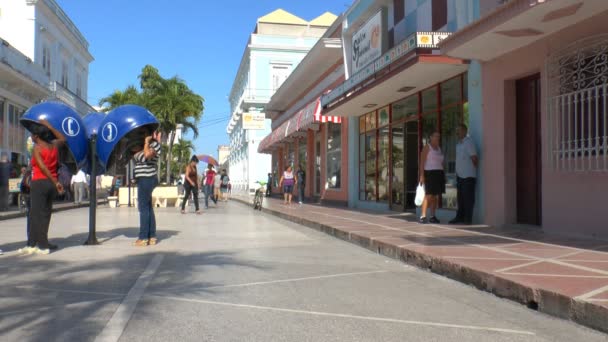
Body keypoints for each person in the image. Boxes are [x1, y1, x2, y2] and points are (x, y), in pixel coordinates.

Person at [18, 119, 65, 255]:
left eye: (32, 134)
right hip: (51, 184)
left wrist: (55, 182)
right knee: (43, 213)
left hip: (40, 182)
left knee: (36, 215)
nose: (30, 136)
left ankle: (43, 245)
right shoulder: (54, 145)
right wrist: (50, 126)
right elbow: (63, 138)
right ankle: (32, 243)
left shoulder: (37, 149)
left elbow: (43, 168)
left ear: (36, 137)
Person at [132, 130, 162, 247]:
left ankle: (143, 237)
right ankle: (152, 236)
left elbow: (147, 155)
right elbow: (135, 152)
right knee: (148, 207)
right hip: (143, 179)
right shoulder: (143, 145)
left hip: (147, 178)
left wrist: (146, 142)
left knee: (143, 208)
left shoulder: (154, 145)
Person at [450, 124, 478, 225]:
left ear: (465, 131)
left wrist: (471, 170)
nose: (457, 132)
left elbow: (474, 158)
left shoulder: (469, 142)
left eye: (459, 130)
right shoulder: (458, 144)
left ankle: (467, 219)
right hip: (460, 176)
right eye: (456, 130)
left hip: (468, 176)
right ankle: (459, 217)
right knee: (460, 199)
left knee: (468, 199)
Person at [419, 131, 445, 224]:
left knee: (435, 196)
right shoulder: (427, 147)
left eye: (439, 136)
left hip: (439, 173)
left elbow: (441, 162)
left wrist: (443, 173)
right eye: (435, 136)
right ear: (431, 137)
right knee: (429, 195)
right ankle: (423, 216)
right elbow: (422, 162)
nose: (437, 138)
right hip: (429, 173)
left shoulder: (439, 148)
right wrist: (422, 175)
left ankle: (433, 216)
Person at [19, 166, 32, 244]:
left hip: (27, 196)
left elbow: (21, 187)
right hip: (33, 196)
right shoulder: (34, 173)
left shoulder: (26, 174)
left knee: (30, 217)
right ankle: (34, 238)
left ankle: (30, 238)